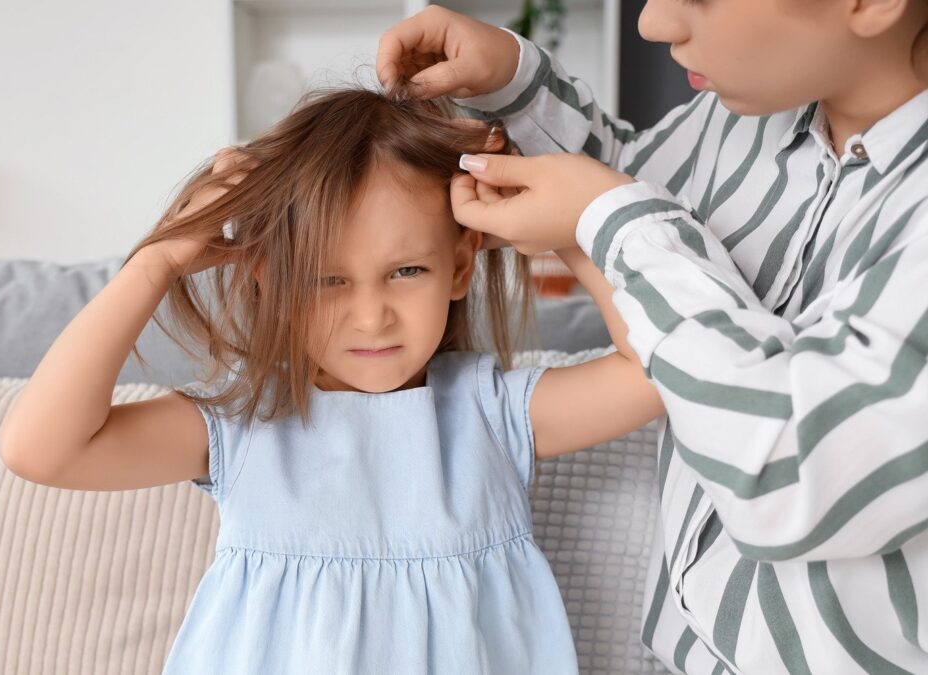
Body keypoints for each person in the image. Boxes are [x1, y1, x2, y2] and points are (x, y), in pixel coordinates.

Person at [0, 86, 664, 674]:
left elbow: (655, 370)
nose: (372, 316)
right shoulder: (247, 422)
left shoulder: (489, 411)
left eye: (407, 271)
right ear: (271, 280)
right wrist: (159, 260)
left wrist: (573, 227)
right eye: (327, 279)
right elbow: (41, 448)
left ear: (461, 266)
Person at [378, 1, 928, 673]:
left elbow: (788, 469)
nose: (653, 22)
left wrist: (608, 217)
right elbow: (630, 190)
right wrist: (511, 85)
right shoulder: (743, 117)